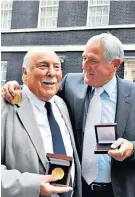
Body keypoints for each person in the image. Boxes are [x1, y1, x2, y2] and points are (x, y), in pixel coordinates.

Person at [2, 33, 135, 197]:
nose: (84, 66)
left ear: (115, 64)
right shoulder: (71, 83)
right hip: (78, 188)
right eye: (84, 58)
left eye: (92, 61)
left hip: (118, 190)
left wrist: (132, 149)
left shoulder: (133, 94)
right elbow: (38, 92)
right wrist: (15, 86)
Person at [1, 48, 82, 197]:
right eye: (43, 66)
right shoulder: (5, 107)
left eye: (56, 67)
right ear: (25, 74)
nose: (51, 73)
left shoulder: (61, 104)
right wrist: (33, 185)